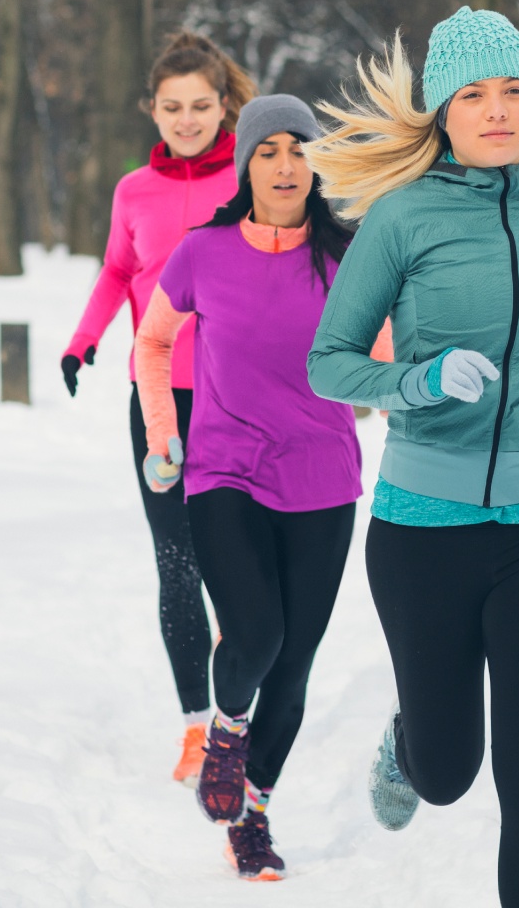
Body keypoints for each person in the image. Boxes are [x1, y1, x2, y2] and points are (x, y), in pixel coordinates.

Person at [305, 7, 519, 908]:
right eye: (475, 95)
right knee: (449, 773)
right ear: (442, 113)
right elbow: (328, 362)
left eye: (514, 91)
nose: (498, 111)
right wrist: (419, 381)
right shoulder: (402, 219)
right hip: (424, 531)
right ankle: (412, 741)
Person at [134, 94, 384, 882]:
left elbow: (378, 369)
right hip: (223, 472)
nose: (285, 164)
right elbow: (153, 339)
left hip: (321, 479)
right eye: (268, 150)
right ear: (245, 163)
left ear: (318, 163)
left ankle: (254, 814)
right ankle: (225, 727)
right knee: (256, 636)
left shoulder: (348, 258)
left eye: (298, 149)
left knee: (294, 663)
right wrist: (162, 433)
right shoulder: (203, 252)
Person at [61, 30, 256, 786]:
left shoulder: (252, 176)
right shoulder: (132, 192)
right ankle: (195, 730)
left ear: (224, 104)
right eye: (172, 107)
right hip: (158, 400)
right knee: (177, 566)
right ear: (153, 108)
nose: (186, 119)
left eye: (200, 105)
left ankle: (242, 712)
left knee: (234, 566)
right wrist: (82, 343)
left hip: (241, 398)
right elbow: (118, 270)